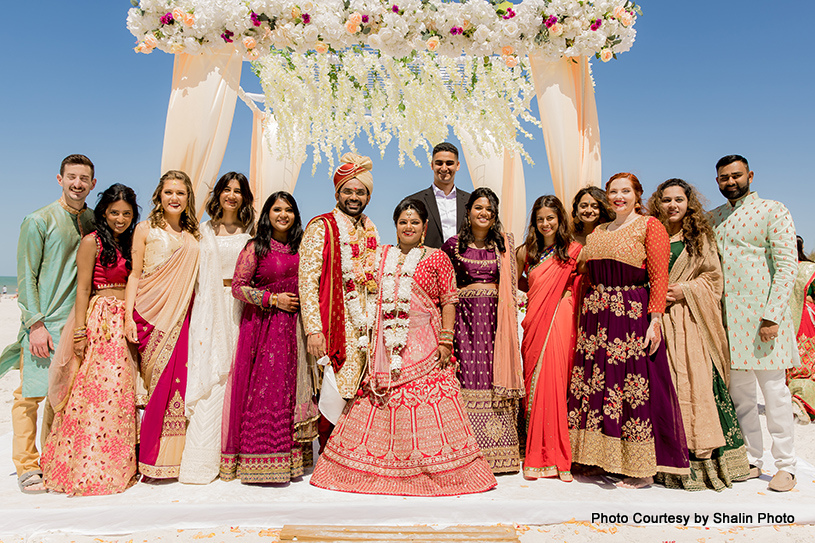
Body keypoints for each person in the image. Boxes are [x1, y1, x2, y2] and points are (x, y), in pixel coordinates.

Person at [311, 199, 497, 495]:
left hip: (425, 342)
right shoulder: (382, 255)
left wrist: (447, 339)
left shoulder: (437, 258)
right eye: (403, 222)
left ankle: (434, 469)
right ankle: (379, 469)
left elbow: (449, 299)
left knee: (426, 402)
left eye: (414, 222)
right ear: (395, 226)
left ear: (424, 228)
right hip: (385, 345)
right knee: (381, 401)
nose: (408, 227)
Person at [567, 172, 689, 488]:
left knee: (631, 387)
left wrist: (656, 321)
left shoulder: (650, 226)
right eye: (613, 191)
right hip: (596, 318)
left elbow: (659, 278)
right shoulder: (598, 231)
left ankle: (641, 468)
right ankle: (597, 458)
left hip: (631, 314)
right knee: (596, 385)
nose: (618, 197)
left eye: (625, 191)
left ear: (637, 194)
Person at [0, 154, 96, 494]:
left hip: (76, 324)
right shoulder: (38, 220)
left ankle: (52, 458)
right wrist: (35, 323)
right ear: (59, 179)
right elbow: (26, 277)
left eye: (84, 178)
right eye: (72, 177)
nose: (78, 184)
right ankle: (26, 465)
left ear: (92, 184)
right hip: (44, 323)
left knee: (64, 396)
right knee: (29, 396)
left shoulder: (93, 220)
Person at [646, 179, 750, 491]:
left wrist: (685, 289)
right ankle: (662, 463)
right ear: (658, 203)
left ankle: (703, 463)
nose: (673, 205)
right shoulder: (652, 232)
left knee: (696, 383)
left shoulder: (699, 236)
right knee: (664, 386)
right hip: (658, 321)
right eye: (666, 200)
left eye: (679, 199)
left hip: (691, 320)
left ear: (689, 203)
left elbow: (714, 278)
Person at [41, 184, 140, 495]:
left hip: (126, 319)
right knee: (97, 392)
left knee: (122, 393)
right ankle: (88, 466)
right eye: (114, 212)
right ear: (104, 213)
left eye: (126, 213)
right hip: (101, 321)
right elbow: (83, 290)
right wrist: (81, 333)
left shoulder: (133, 243)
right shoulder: (91, 242)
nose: (120, 219)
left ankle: (117, 466)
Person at [710, 155, 798, 492]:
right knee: (741, 396)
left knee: (775, 394)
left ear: (750, 175)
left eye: (735, 176)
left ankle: (786, 466)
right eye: (723, 178)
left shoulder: (773, 210)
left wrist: (772, 315)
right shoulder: (714, 218)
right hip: (728, 324)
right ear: (717, 181)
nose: (730, 182)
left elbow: (787, 265)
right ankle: (750, 459)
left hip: (763, 322)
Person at [221, 192, 318, 484]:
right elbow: (238, 287)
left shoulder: (303, 247)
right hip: (265, 329)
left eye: (289, 210)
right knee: (266, 390)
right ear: (267, 213)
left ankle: (292, 462)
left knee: (293, 390)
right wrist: (272, 299)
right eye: (277, 209)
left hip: (297, 331)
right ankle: (259, 459)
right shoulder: (256, 247)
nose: (283, 215)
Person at [300, 153, 380, 449]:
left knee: (359, 397)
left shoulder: (370, 230)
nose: (354, 197)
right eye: (348, 190)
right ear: (337, 193)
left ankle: (353, 457)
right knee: (333, 394)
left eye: (360, 192)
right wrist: (313, 330)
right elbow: (306, 281)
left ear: (368, 197)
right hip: (333, 328)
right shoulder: (321, 226)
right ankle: (329, 458)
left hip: (364, 330)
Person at [441, 187, 523, 475]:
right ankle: (465, 451)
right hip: (463, 322)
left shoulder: (502, 245)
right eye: (478, 207)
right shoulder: (452, 246)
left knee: (492, 377)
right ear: (468, 211)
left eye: (489, 209)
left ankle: (500, 454)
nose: (484, 213)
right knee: (464, 376)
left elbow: (511, 287)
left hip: (494, 324)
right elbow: (443, 287)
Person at [125, 170, 200, 480]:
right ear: (159, 195)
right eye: (169, 192)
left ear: (188, 199)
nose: (174, 198)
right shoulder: (145, 229)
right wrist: (128, 316)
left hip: (183, 315)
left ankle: (173, 458)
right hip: (149, 315)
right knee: (155, 385)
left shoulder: (194, 235)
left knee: (178, 384)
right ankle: (150, 458)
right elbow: (135, 275)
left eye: (180, 193)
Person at [180, 172, 255, 484]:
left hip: (241, 307)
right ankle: (202, 459)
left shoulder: (252, 231)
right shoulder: (202, 230)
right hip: (209, 307)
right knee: (211, 376)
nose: (232, 195)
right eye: (227, 189)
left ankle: (234, 456)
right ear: (219, 194)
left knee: (238, 377)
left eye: (238, 191)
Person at [516, 195, 582, 482]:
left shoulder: (574, 251)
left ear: (560, 220)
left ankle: (558, 458)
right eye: (540, 219)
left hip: (560, 317)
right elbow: (518, 284)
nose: (546, 223)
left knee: (555, 382)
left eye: (550, 218)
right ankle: (536, 453)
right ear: (534, 222)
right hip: (534, 320)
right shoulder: (525, 253)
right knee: (534, 383)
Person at [405, 142, 471, 249]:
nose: (444, 168)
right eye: (439, 163)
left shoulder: (470, 201)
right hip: (427, 264)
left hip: (462, 264)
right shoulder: (414, 201)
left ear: (457, 165)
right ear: (432, 165)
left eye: (449, 163)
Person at [787, 236, 815, 423]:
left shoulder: (779, 268)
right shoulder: (809, 269)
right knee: (808, 363)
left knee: (793, 363)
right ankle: (803, 403)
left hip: (785, 321)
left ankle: (795, 400)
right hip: (807, 319)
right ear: (802, 247)